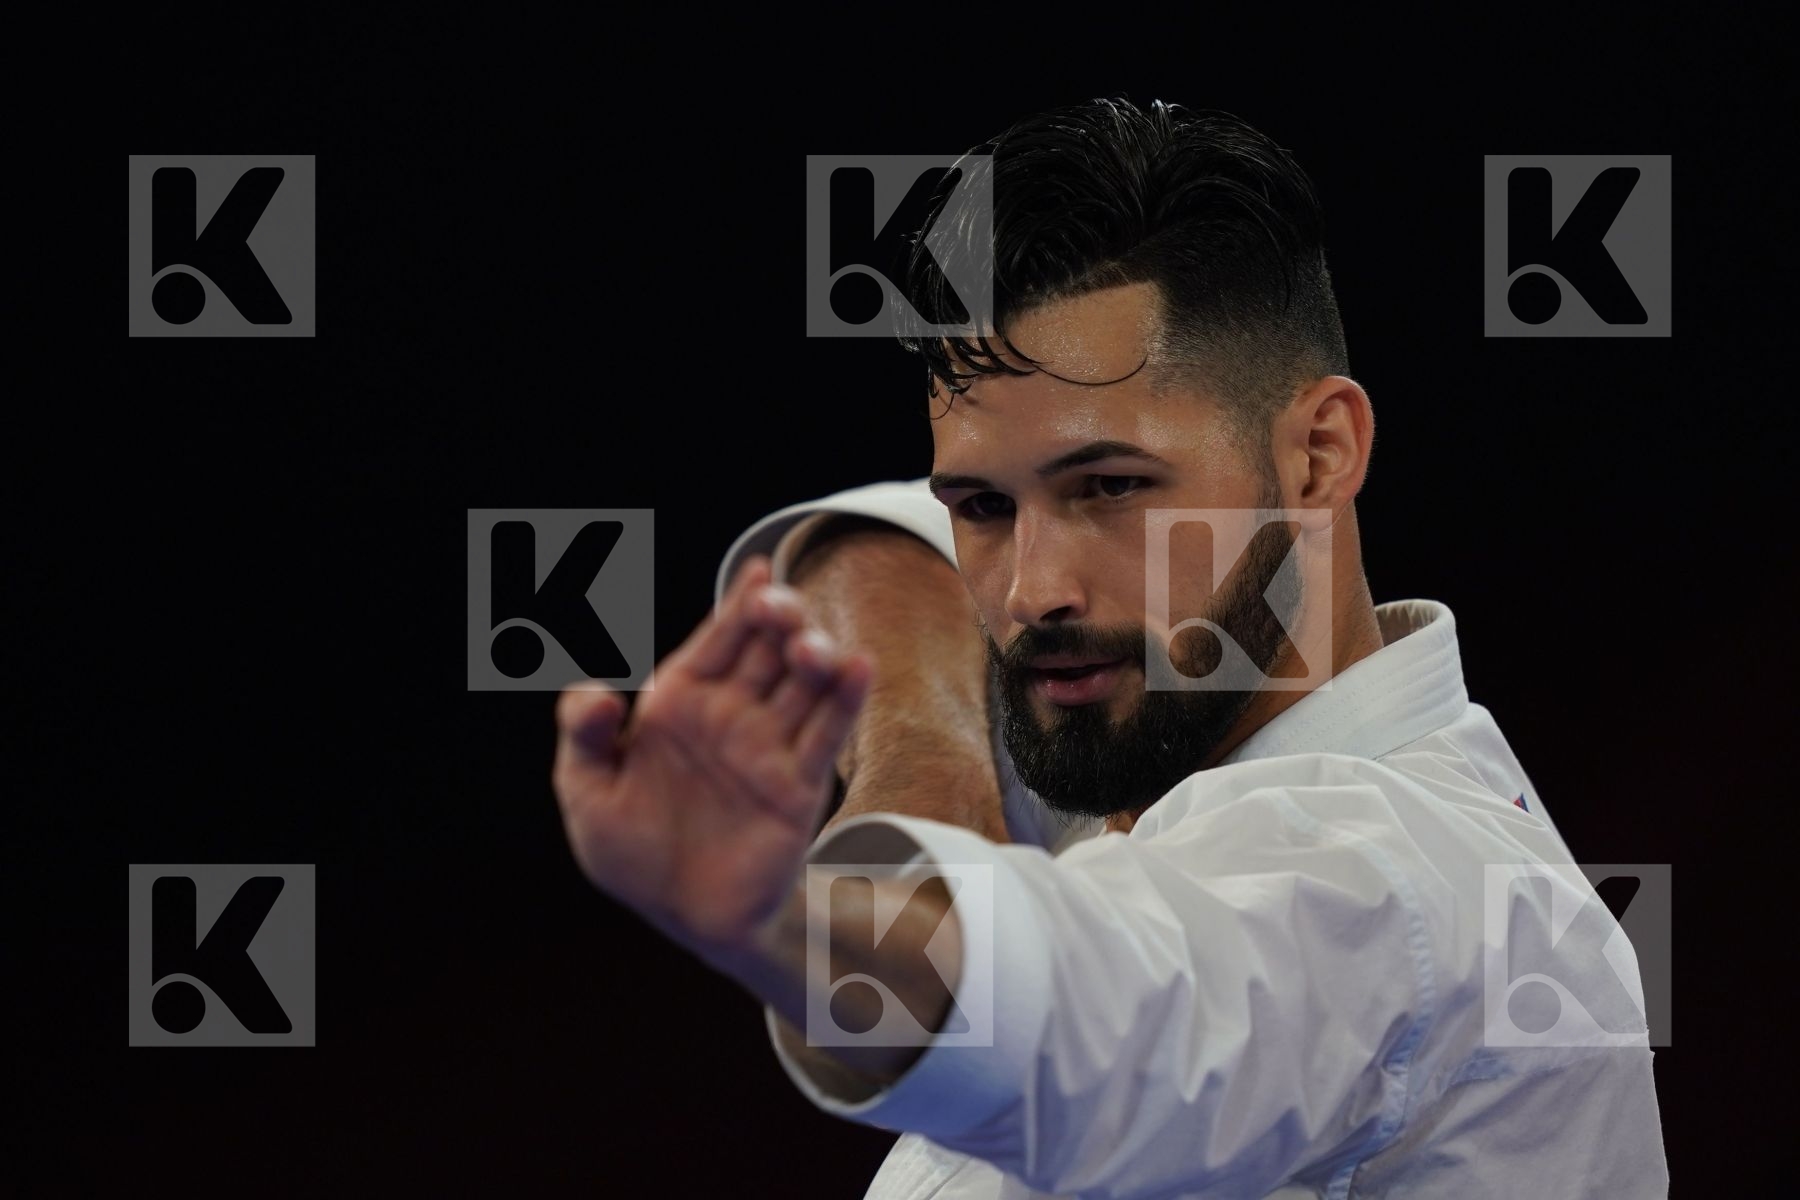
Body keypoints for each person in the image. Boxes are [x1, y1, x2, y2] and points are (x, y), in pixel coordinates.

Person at [554, 98, 1669, 1197]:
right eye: (986, 506)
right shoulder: (1155, 727)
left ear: (1322, 455)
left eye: (1112, 488)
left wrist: (777, 916)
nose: (1036, 590)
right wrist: (928, 750)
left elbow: (1080, 1018)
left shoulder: (1397, 889)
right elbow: (872, 544)